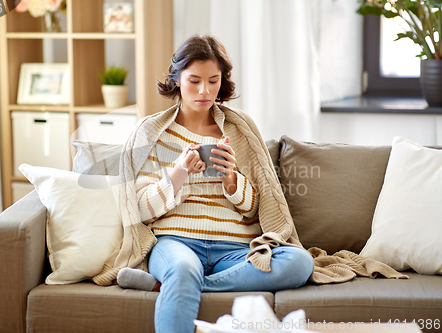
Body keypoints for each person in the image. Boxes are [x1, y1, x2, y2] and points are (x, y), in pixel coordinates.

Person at [114, 35, 314, 333]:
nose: (204, 91)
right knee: (182, 269)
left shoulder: (239, 129)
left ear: (223, 81)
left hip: (234, 249)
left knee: (299, 262)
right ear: (177, 79)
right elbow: (140, 209)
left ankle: (167, 284)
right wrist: (178, 173)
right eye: (194, 81)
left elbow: (260, 209)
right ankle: (179, 278)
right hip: (176, 242)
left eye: (213, 81)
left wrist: (232, 180)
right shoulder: (151, 132)